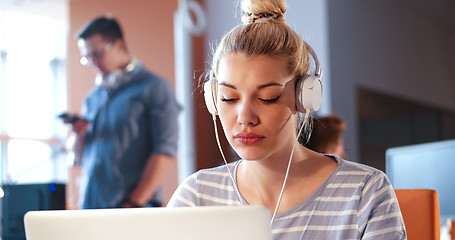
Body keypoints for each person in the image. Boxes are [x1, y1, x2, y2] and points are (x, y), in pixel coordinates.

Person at [167, 0, 406, 239]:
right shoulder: (195, 197)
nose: (245, 117)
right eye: (229, 98)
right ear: (213, 98)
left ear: (304, 97)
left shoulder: (365, 193)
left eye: (268, 98)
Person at [65, 16, 180, 209]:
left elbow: (164, 151)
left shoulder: (155, 88)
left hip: (132, 208)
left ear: (117, 45)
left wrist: (133, 203)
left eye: (97, 54)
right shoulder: (93, 97)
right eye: (87, 57)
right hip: (91, 207)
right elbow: (81, 158)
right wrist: (79, 134)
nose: (93, 63)